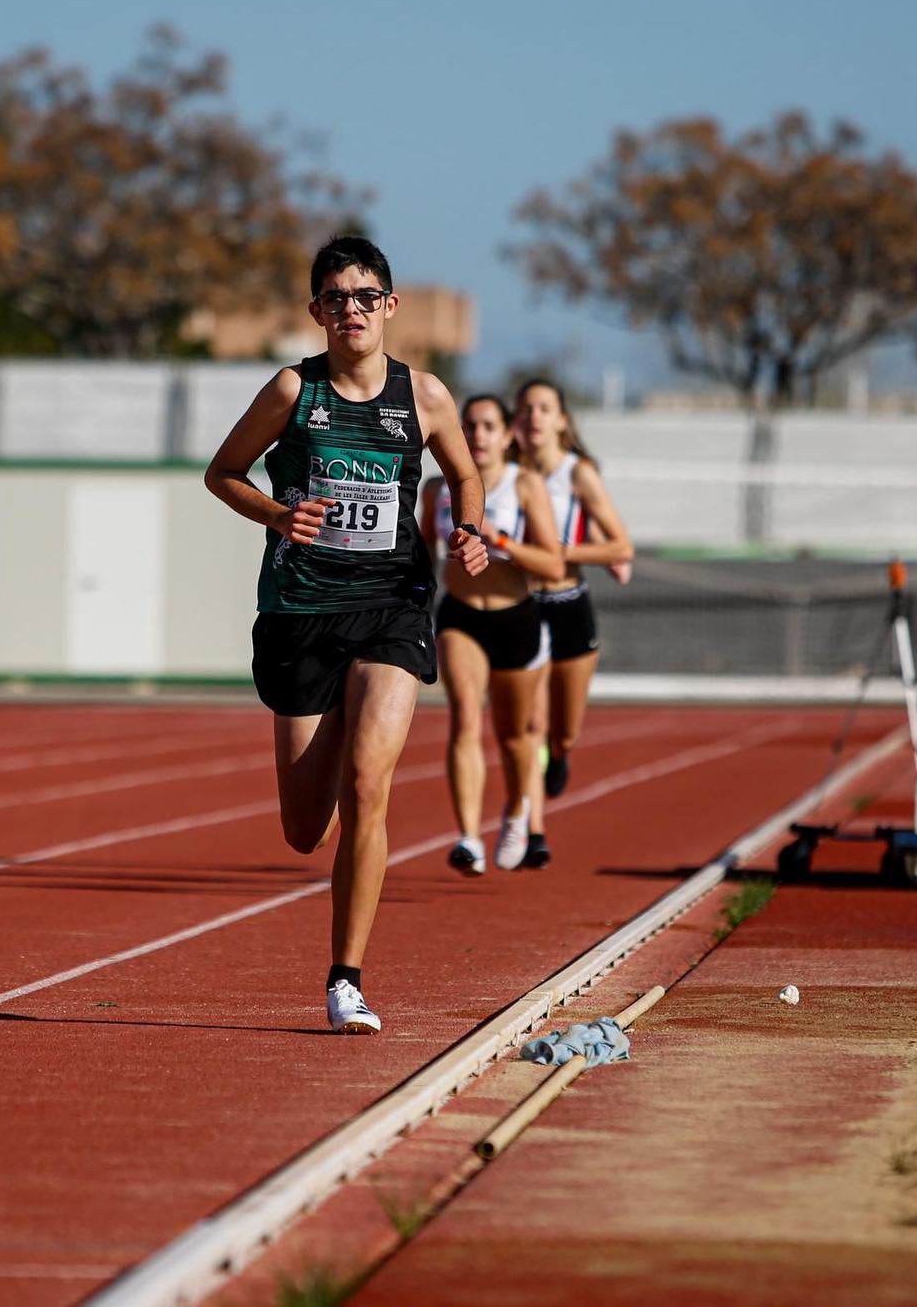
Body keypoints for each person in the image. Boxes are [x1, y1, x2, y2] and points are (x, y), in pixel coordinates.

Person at [206, 236, 488, 1034]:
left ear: (390, 307)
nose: (352, 310)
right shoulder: (293, 390)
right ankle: (328, 754)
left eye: (366, 296)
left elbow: (465, 473)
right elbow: (222, 472)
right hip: (301, 612)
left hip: (392, 602)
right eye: (336, 298)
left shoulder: (425, 396)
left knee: (371, 782)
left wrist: (470, 529)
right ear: (316, 312)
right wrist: (277, 512)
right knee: (305, 828)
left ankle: (346, 979)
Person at [420, 395, 563, 875]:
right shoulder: (438, 489)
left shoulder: (525, 485)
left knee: (514, 736)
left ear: (507, 435)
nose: (478, 435)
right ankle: (467, 837)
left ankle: (519, 811)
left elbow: (553, 563)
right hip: (461, 615)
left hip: (515, 617)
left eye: (488, 426)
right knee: (464, 715)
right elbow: (421, 551)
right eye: (470, 426)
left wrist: (503, 544)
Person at [512, 379, 635, 801]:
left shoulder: (578, 473)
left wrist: (567, 551)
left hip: (568, 604)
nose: (534, 417)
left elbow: (621, 545)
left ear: (562, 420)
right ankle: (529, 819)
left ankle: (559, 752)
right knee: (530, 721)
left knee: (564, 730)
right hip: (522, 604)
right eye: (526, 409)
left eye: (544, 409)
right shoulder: (507, 473)